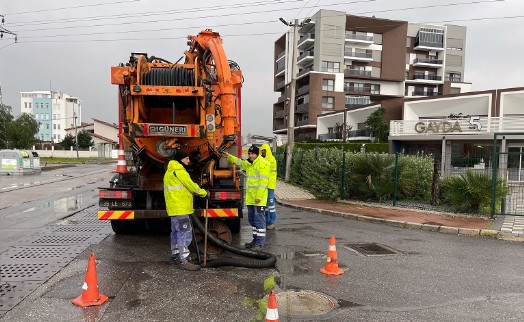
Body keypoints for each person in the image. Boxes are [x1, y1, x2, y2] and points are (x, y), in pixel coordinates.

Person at [164, 150, 207, 271]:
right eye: (187, 158)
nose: (188, 160)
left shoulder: (169, 171)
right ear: (181, 160)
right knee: (184, 233)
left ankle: (175, 256)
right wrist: (204, 193)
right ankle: (184, 260)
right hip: (181, 208)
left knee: (175, 233)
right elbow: (192, 186)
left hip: (174, 209)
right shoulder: (180, 171)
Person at [223, 144, 270, 250]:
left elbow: (263, 183)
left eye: (252, 154)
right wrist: (229, 156)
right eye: (249, 153)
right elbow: (240, 162)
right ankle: (255, 240)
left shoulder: (263, 164)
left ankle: (259, 243)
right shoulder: (250, 163)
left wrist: (258, 197)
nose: (250, 155)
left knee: (259, 221)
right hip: (251, 198)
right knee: (252, 220)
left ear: (257, 154)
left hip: (259, 199)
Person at [260, 143, 277, 230]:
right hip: (263, 186)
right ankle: (267, 221)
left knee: (271, 205)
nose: (263, 152)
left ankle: (272, 222)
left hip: (269, 186)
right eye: (262, 151)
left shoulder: (271, 160)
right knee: (265, 205)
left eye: (264, 151)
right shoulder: (261, 160)